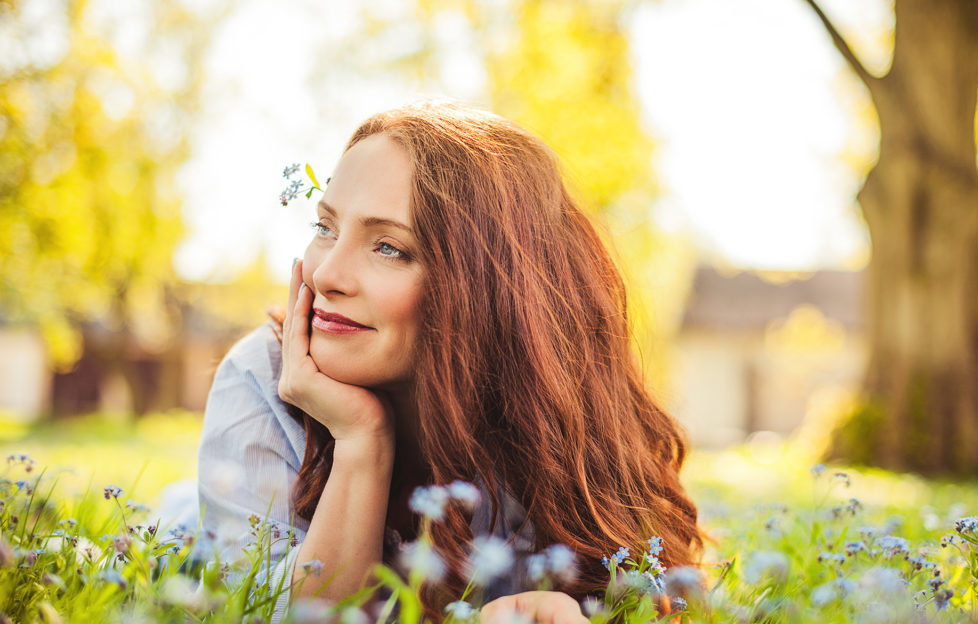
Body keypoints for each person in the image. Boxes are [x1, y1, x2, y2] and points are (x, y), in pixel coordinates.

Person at [197, 101, 701, 622]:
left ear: (485, 288)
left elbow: (656, 594)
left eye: (389, 247)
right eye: (326, 227)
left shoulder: (558, 426)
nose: (325, 274)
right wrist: (361, 441)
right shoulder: (263, 376)